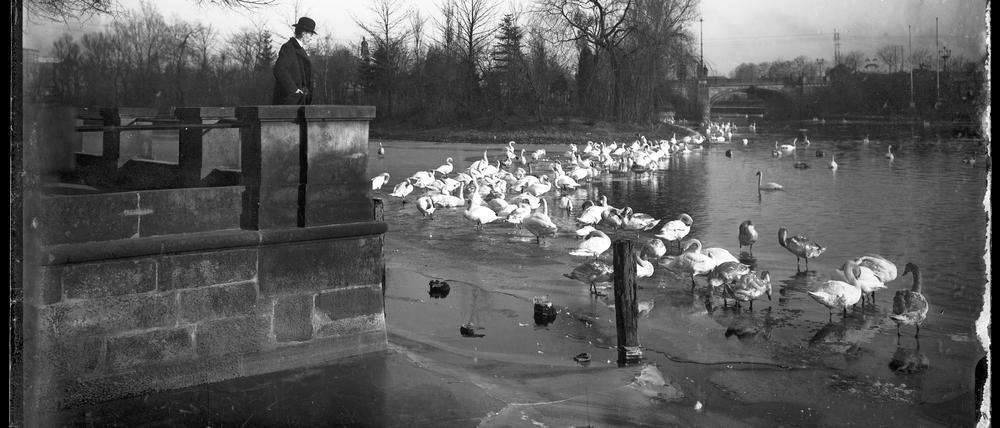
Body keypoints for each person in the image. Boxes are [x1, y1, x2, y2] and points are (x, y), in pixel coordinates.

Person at [272, 17, 316, 105]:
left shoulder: (298, 49)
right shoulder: (289, 48)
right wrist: (294, 90)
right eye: (311, 34)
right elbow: (279, 70)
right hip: (289, 101)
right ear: (304, 33)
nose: (311, 38)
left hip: (298, 101)